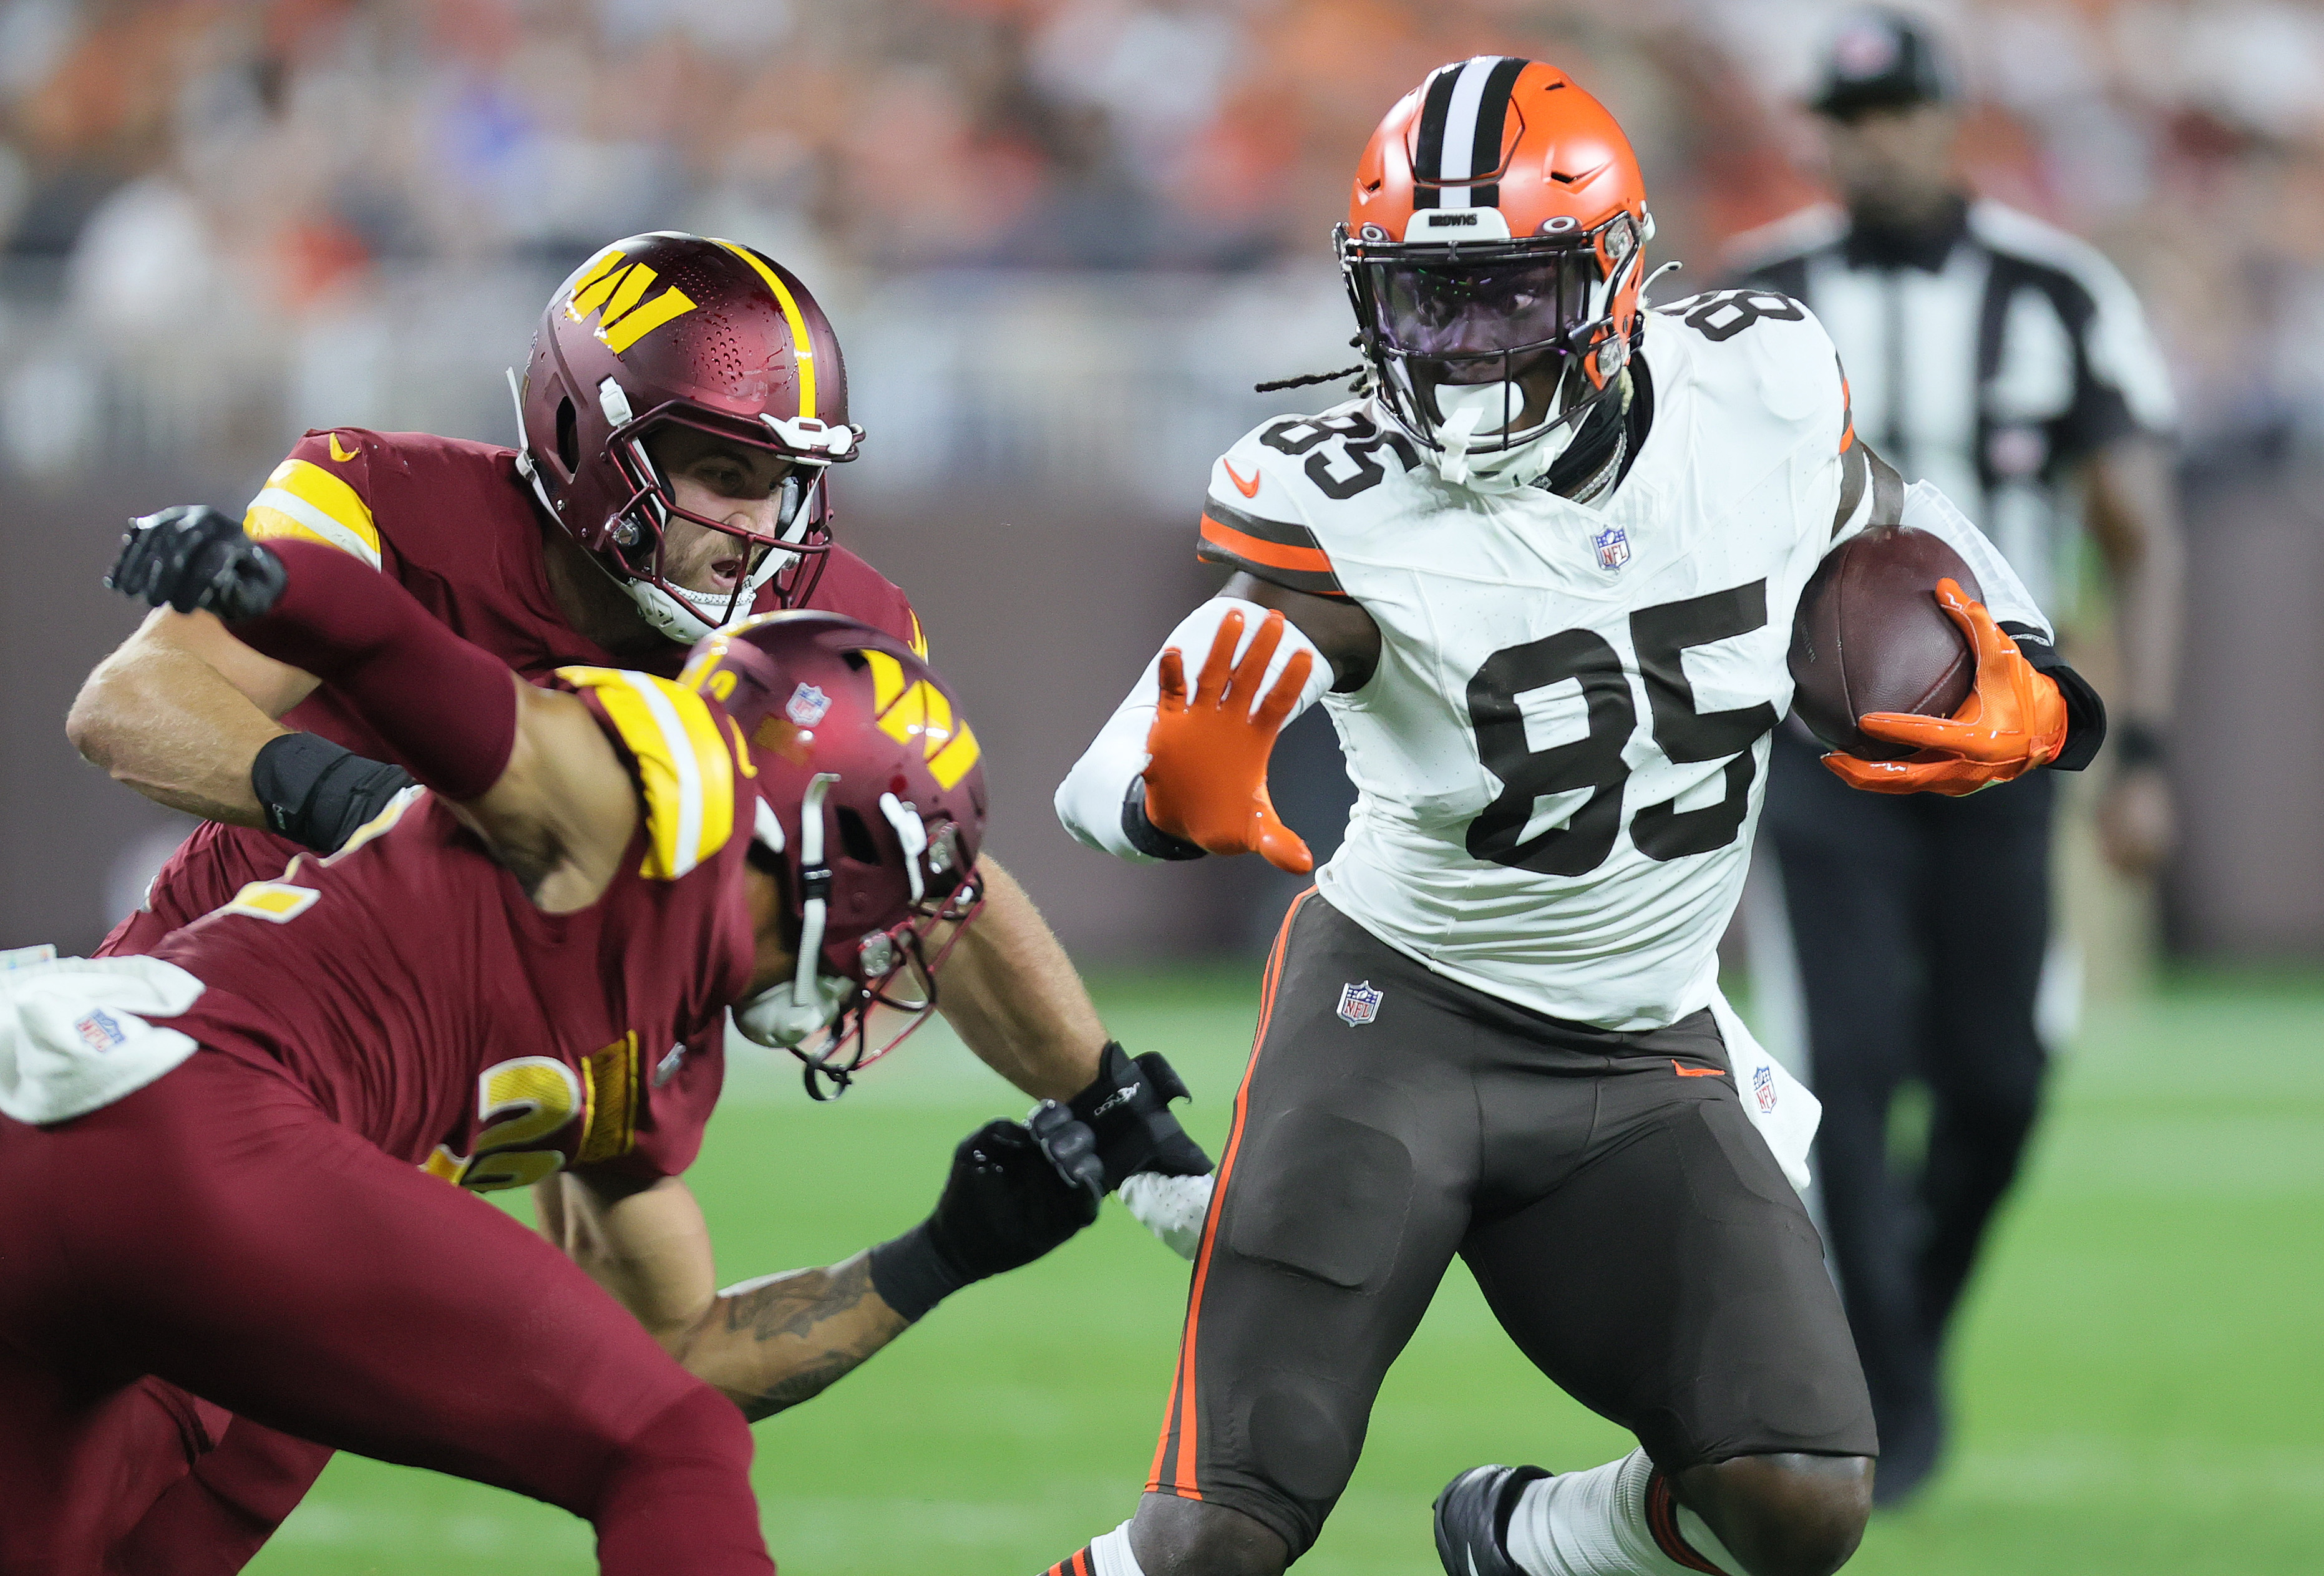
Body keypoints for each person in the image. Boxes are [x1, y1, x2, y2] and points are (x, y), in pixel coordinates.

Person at [1043, 55, 2108, 1576]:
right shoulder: (1337, 502)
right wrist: (1170, 787)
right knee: (1221, 1534)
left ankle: (1528, 1544)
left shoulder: (1754, 395)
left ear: (1613, 281)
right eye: (1425, 301)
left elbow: (1887, 509)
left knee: (1800, 1495)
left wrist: (2040, 673)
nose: (1464, 352)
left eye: (1511, 297)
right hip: (1393, 1023)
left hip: (1641, 1043)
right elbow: (1102, 784)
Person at [62, 232, 1210, 1565]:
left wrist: (1096, 1120)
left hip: (352, 1183)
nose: (762, 529)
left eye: (788, 481)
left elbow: (917, 865)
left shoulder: (639, 1045)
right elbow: (132, 702)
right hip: (181, 1080)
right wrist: (362, 809)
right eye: (726, 472)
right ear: (585, 435)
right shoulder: (397, 511)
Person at [2, 509, 1106, 1572]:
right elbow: (409, 659)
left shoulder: (663, 1058)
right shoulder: (634, 805)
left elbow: (679, 1350)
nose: (888, 946)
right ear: (837, 843)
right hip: (190, 1111)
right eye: (898, 900)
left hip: (62, 1116)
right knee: (671, 1452)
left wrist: (940, 1254)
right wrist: (278, 583)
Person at [1723, 8, 2182, 1502]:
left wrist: (2149, 746)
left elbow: (2138, 528)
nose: (1872, 141)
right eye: (1846, 117)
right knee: (1844, 1068)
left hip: (2002, 739)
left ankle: (1902, 1326)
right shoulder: (1756, 300)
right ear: (1821, 130)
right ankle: (1892, 1407)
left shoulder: (2055, 289)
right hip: (1813, 744)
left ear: (1947, 118)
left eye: (1897, 112)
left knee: (1997, 1077)